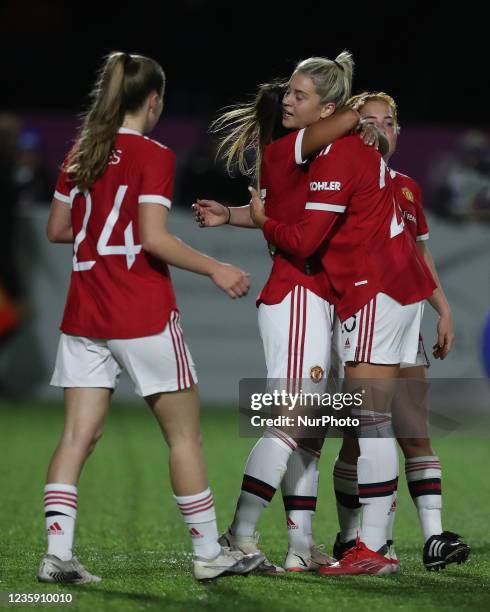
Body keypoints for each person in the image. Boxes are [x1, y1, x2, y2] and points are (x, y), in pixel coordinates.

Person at [37, 51, 264, 584]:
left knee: (77, 437)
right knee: (184, 438)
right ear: (155, 99)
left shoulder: (81, 151)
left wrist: (101, 237)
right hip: (140, 311)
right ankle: (209, 552)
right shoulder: (154, 155)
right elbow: (153, 237)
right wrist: (216, 268)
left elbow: (56, 229)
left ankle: (57, 554)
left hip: (84, 313)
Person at [195, 53, 385, 573]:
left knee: (310, 429)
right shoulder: (293, 148)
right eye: (291, 93)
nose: (287, 100)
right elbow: (297, 231)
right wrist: (358, 114)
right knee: (292, 417)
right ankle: (239, 534)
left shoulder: (311, 157)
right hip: (299, 293)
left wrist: (231, 215)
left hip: (314, 297)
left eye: (298, 95)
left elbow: (275, 214)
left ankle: (300, 548)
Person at [249, 80, 437, 574]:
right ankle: (361, 545)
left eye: (302, 97)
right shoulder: (357, 158)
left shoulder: (338, 156)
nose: (291, 106)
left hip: (373, 288)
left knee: (367, 422)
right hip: (395, 291)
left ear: (327, 112)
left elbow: (307, 238)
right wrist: (236, 215)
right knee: (369, 422)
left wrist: (262, 220)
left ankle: (369, 549)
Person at [330, 92, 470, 571]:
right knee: (358, 434)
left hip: (407, 318)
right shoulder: (346, 179)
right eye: (368, 122)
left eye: (388, 122)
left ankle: (433, 539)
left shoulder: (408, 188)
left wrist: (444, 309)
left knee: (414, 433)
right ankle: (355, 538)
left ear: (398, 131)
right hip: (362, 313)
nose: (379, 129)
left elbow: (420, 255)